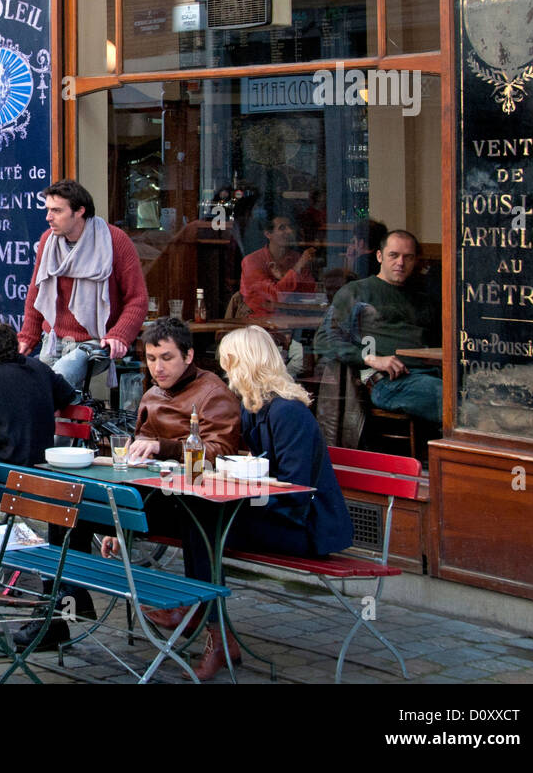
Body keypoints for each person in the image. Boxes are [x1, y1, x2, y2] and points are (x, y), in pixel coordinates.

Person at [106, 324, 354, 680]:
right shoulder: (256, 409)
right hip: (273, 514)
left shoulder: (289, 413)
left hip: (306, 526)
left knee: (204, 520)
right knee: (197, 513)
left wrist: (239, 496)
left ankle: (204, 621)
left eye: (229, 363)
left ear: (246, 363)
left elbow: (295, 492)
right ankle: (207, 623)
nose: (225, 373)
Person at [17, 179, 148, 391]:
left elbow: (137, 299)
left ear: (79, 211)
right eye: (48, 210)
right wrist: (28, 337)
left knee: (50, 387)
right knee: (34, 390)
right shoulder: (48, 242)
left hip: (93, 341)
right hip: (53, 339)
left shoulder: (114, 241)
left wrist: (119, 335)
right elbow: (36, 292)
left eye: (57, 211)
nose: (48, 217)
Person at [315, 229, 441, 425]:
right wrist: (371, 359)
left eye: (408, 257)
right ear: (380, 256)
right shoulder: (356, 291)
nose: (400, 262)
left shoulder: (423, 299)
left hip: (431, 374)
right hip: (389, 381)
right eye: (394, 255)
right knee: (451, 400)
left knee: (474, 395)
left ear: (415, 260)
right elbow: (324, 339)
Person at [0, 322, 73, 465]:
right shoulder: (39, 366)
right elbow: (68, 394)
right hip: (41, 462)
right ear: (15, 343)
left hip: (3, 464)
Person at [131, 316, 242, 465]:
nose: (158, 368)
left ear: (188, 356)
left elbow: (221, 452)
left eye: (167, 358)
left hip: (198, 482)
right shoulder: (151, 395)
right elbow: (143, 440)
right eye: (151, 359)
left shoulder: (214, 394)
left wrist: (164, 448)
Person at [240, 214, 319, 316]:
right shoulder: (252, 261)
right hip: (260, 324)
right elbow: (274, 295)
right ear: (268, 234)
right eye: (282, 228)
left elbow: (309, 294)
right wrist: (297, 268)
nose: (289, 231)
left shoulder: (297, 258)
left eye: (290, 227)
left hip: (294, 321)